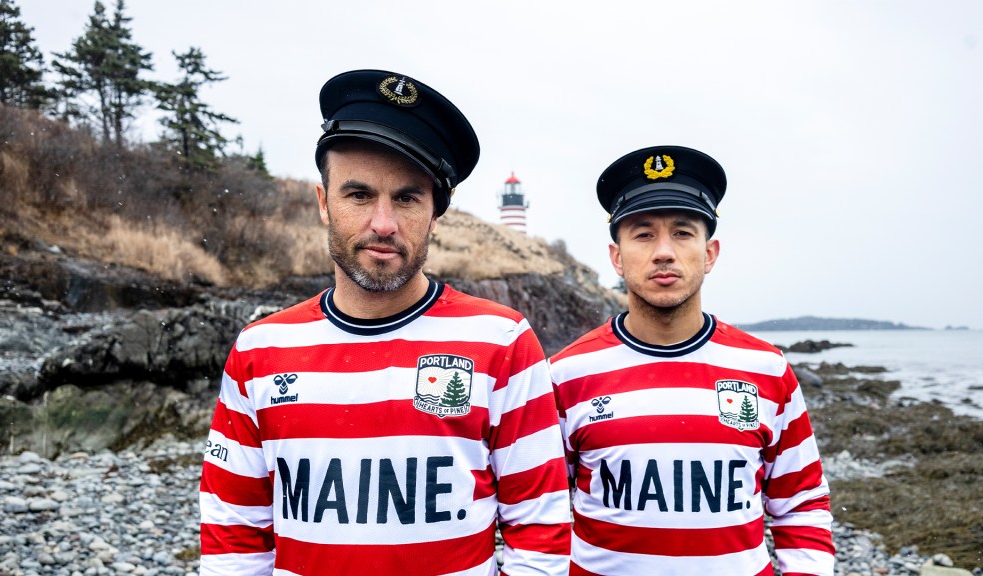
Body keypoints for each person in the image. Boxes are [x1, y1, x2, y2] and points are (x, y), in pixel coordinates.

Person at [199, 69, 571, 576]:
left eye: (407, 198)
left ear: (436, 212)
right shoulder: (260, 349)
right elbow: (234, 530)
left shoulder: (502, 342)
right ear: (323, 203)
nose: (383, 223)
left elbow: (540, 530)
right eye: (358, 195)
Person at [549, 146, 835, 575]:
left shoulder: (768, 369)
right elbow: (539, 513)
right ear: (617, 257)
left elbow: (802, 505)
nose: (664, 252)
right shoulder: (567, 374)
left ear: (710, 253)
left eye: (682, 233)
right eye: (643, 234)